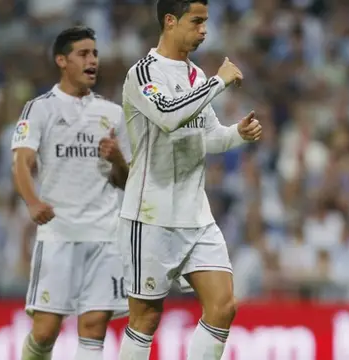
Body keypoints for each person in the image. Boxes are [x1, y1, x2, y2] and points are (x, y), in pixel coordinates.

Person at [116, 1, 262, 359]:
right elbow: (168, 115)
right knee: (146, 318)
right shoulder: (143, 73)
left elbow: (208, 136)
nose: (204, 30)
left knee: (224, 304)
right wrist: (219, 81)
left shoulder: (195, 75)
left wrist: (237, 134)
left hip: (196, 216)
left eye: (205, 22)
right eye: (196, 22)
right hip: (150, 216)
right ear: (170, 21)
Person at [12, 26, 131, 360]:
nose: (92, 60)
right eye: (83, 54)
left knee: (94, 326)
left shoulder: (112, 114)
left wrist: (117, 158)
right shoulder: (40, 109)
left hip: (105, 236)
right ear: (62, 60)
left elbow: (126, 180)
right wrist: (32, 201)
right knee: (46, 330)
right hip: (59, 235)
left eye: (95, 54)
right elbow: (21, 163)